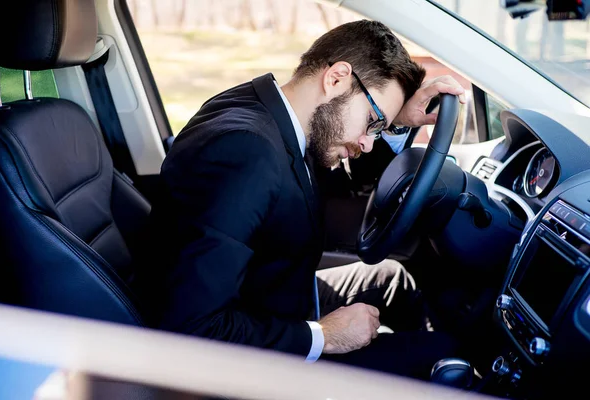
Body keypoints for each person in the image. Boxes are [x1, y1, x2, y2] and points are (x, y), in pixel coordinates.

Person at [135, 19, 466, 380]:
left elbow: (358, 176)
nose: (368, 141)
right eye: (372, 122)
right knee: (447, 355)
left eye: (379, 128)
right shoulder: (245, 154)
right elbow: (190, 327)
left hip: (276, 294)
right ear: (336, 78)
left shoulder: (273, 110)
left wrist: (395, 120)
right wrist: (325, 336)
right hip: (261, 357)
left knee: (392, 279)